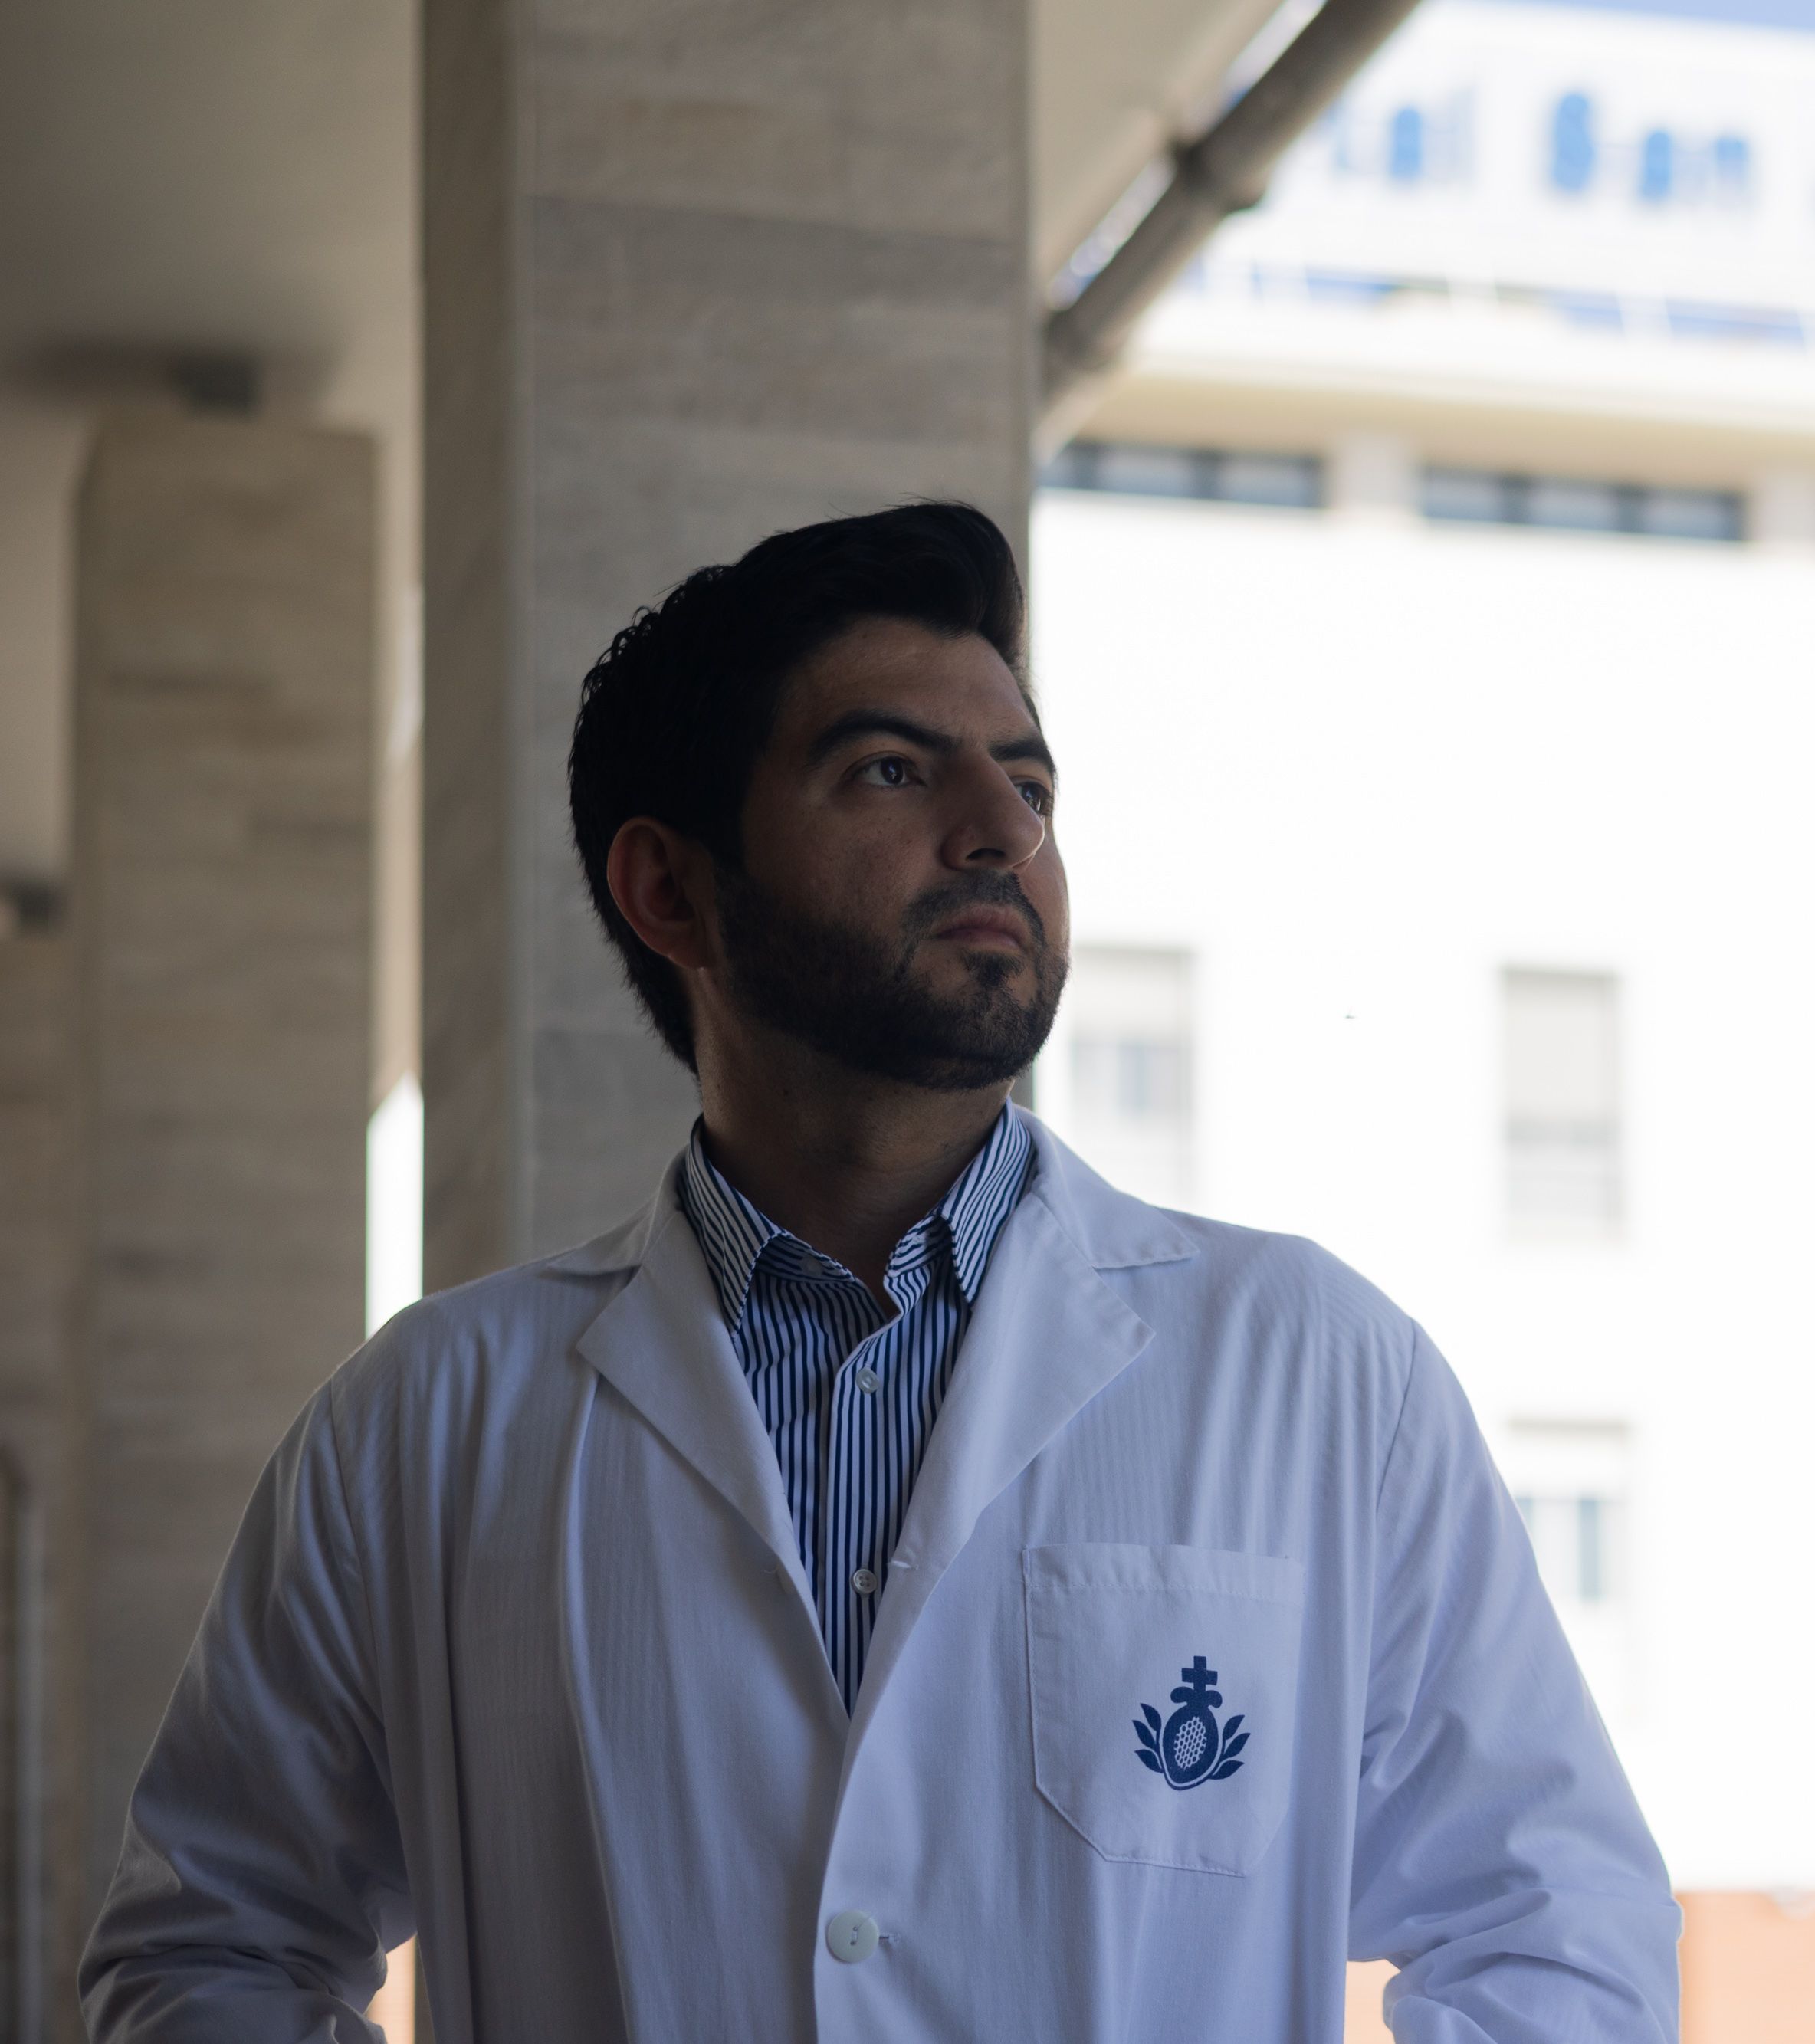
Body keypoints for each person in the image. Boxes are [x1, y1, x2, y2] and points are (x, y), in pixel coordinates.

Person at [79, 503, 1680, 2041]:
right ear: (670, 888)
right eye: (890, 768)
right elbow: (213, 1940)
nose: (998, 832)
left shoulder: (1319, 1373)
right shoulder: (422, 1423)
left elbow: (1551, 1926)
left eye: (1030, 787)